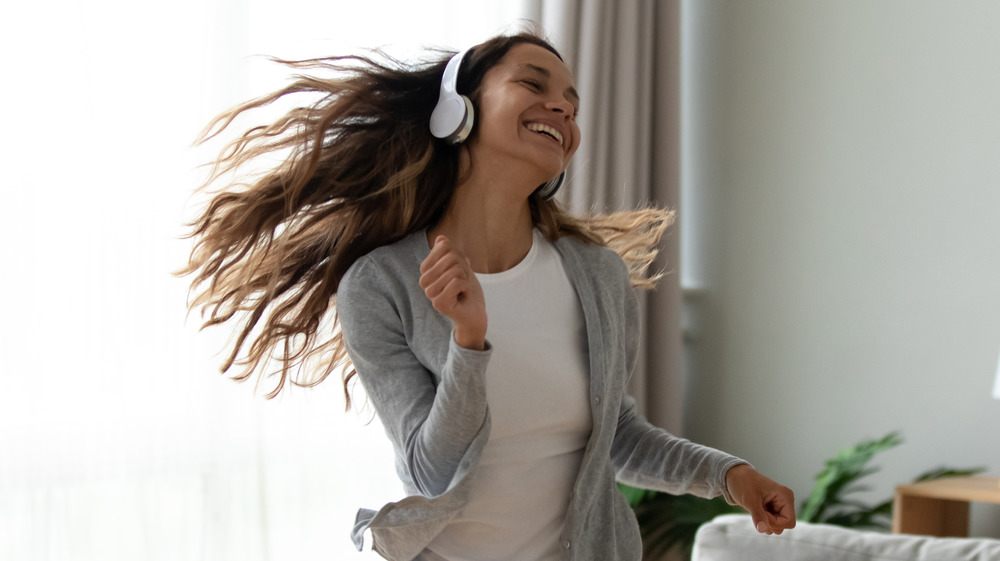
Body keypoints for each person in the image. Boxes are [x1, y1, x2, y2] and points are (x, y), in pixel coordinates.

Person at [182, 29, 795, 561]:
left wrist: (730, 477)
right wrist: (468, 343)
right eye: (534, 85)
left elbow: (615, 434)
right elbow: (430, 471)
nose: (560, 108)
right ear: (457, 111)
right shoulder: (380, 284)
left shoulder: (595, 276)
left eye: (571, 104)